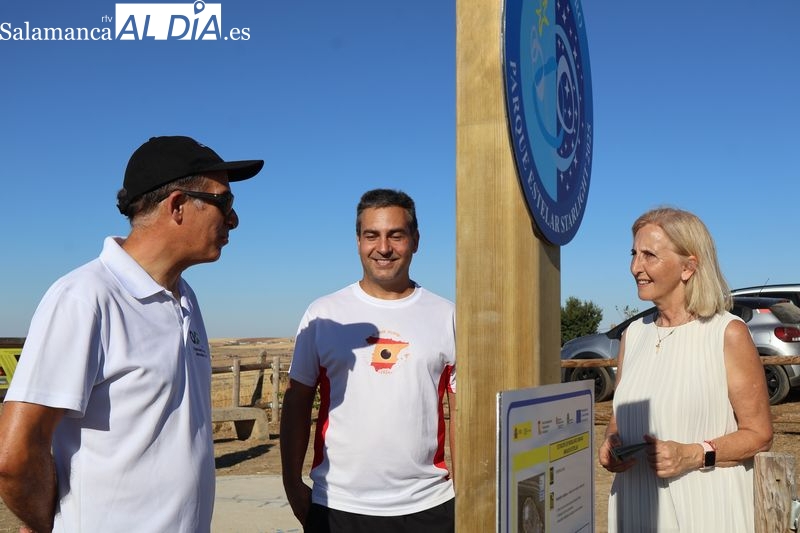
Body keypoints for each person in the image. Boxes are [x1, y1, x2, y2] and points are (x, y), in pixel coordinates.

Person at [0, 136, 263, 533]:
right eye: (223, 202)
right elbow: (14, 454)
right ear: (177, 205)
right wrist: (45, 525)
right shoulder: (85, 297)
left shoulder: (185, 299)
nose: (234, 218)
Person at [280, 188, 456, 533]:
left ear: (415, 240)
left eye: (397, 235)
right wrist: (292, 484)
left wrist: (465, 492)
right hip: (338, 505)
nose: (384, 248)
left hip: (430, 504)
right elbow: (297, 401)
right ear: (358, 241)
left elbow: (461, 413)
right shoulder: (324, 313)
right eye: (371, 235)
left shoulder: (446, 315)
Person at [599, 207, 773, 532]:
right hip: (635, 507)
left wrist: (692, 455)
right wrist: (612, 444)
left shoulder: (726, 333)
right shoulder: (632, 335)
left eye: (650, 255)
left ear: (688, 267)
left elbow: (759, 435)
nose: (636, 267)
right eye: (634, 254)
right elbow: (617, 420)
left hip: (706, 510)